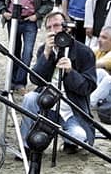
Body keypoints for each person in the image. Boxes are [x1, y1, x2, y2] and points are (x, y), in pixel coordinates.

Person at [20, 10, 98, 152]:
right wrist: (46, 56)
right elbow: (35, 79)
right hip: (47, 106)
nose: (52, 31)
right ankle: (26, 146)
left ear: (66, 28)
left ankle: (69, 141)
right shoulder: (44, 49)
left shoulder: (84, 52)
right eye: (49, 28)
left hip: (72, 110)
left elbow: (88, 87)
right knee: (29, 98)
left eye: (56, 26)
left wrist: (70, 72)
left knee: (79, 137)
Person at [0, 0, 55, 90]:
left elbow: (49, 2)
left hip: (30, 21)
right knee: (14, 51)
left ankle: (20, 82)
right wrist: (3, 12)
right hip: (13, 20)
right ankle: (11, 81)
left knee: (27, 53)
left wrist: (37, 15)